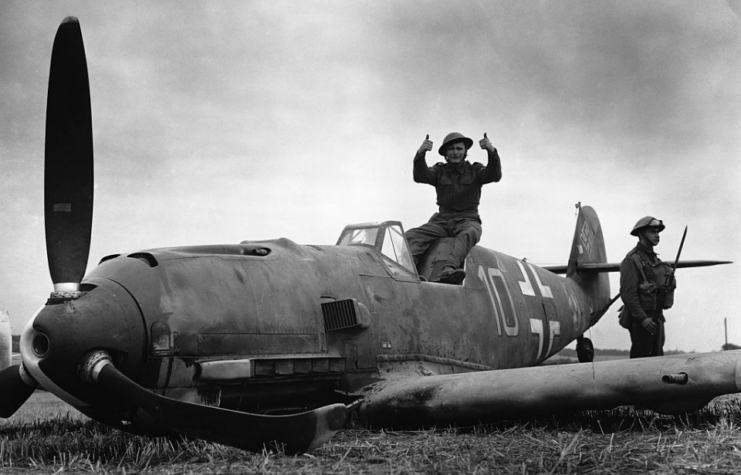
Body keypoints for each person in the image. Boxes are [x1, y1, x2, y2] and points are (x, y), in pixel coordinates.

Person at [405, 132, 502, 284]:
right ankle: (410, 272)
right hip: (441, 221)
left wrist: (491, 152)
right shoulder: (439, 171)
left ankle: (448, 270)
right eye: (451, 149)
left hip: (467, 219)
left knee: (468, 234)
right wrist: (420, 154)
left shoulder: (475, 170)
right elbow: (421, 176)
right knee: (412, 235)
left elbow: (493, 175)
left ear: (465, 152)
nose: (455, 152)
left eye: (459, 149)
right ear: (445, 154)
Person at [618, 216, 677, 358]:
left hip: (657, 317)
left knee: (657, 358)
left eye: (658, 232)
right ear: (641, 234)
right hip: (641, 320)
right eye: (652, 232)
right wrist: (643, 319)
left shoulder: (656, 260)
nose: (657, 235)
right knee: (641, 360)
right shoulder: (631, 260)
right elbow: (628, 294)